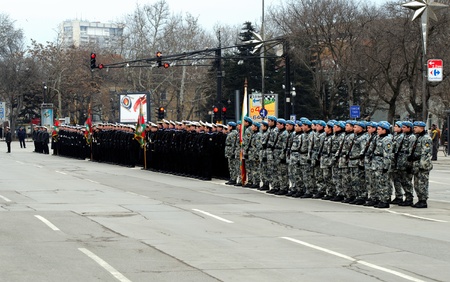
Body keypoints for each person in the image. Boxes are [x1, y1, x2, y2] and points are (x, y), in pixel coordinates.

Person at [409, 121, 433, 208]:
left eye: (416, 127)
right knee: (417, 184)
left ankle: (423, 200)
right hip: (417, 164)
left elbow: (426, 153)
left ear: (421, 128)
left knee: (422, 183)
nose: (414, 129)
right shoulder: (418, 137)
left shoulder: (426, 138)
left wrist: (422, 165)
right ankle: (420, 199)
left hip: (423, 165)